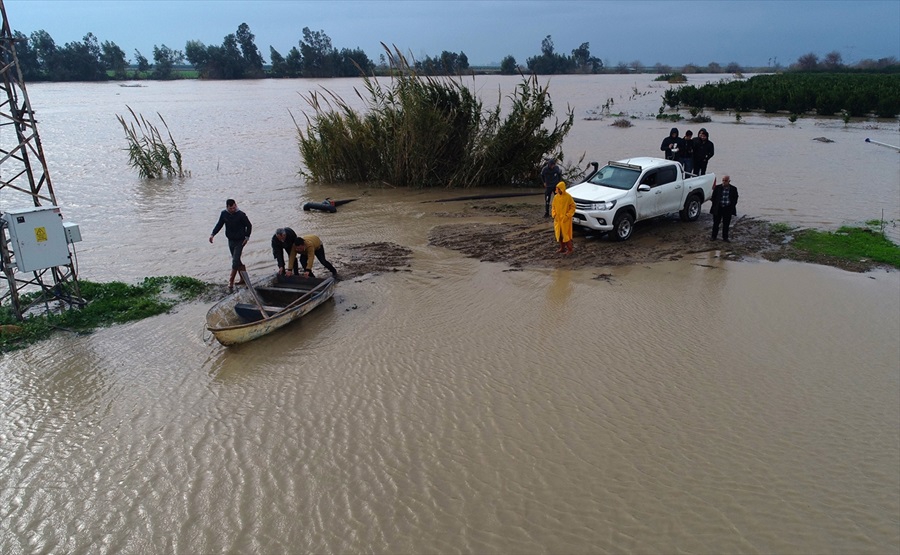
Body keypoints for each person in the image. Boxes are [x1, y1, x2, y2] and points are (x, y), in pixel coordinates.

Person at [209, 199, 252, 289]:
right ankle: (243, 279)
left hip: (240, 240)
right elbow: (219, 224)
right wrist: (213, 234)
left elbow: (249, 225)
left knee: (235, 260)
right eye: (231, 208)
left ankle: (231, 280)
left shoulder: (241, 214)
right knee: (236, 260)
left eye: (234, 207)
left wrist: (247, 237)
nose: (233, 209)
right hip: (230, 240)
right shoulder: (224, 214)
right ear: (227, 207)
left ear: (235, 205)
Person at [710, 175, 739, 242]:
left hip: (727, 208)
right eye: (723, 180)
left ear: (729, 181)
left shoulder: (733, 189)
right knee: (716, 223)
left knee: (726, 224)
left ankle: (725, 237)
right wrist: (715, 205)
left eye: (725, 181)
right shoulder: (717, 188)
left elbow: (735, 198)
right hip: (718, 208)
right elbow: (713, 197)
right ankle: (713, 236)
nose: (724, 182)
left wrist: (731, 206)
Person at [551, 181, 576, 254]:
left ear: (562, 188)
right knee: (559, 235)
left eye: (559, 189)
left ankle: (570, 249)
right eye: (557, 189)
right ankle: (562, 248)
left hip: (565, 220)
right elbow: (553, 207)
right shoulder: (556, 197)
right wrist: (554, 215)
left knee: (566, 235)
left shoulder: (568, 197)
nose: (558, 190)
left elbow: (573, 207)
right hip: (558, 220)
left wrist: (567, 215)